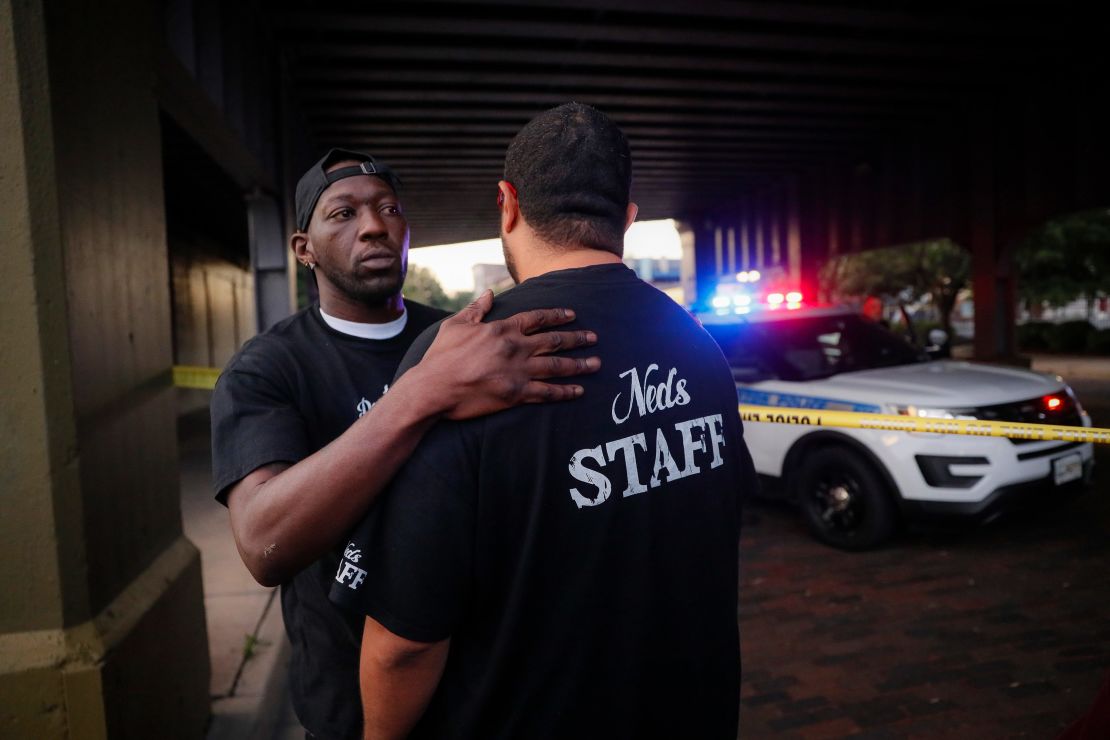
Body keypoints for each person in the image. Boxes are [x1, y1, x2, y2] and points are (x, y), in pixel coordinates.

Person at [331, 104, 758, 739]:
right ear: (628, 220)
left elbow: (405, 641)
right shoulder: (696, 342)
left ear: (506, 204)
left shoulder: (464, 355)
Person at [210, 148, 601, 740]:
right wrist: (421, 395)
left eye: (389, 208)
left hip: (484, 690)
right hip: (353, 708)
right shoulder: (267, 369)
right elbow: (265, 543)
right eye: (342, 214)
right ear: (303, 248)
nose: (373, 225)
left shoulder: (466, 336)